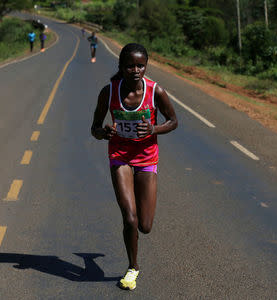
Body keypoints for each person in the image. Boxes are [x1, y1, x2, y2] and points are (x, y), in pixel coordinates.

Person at [90, 43, 178, 290]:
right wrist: (103, 132)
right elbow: (94, 127)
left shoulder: (155, 91)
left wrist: (154, 129)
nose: (136, 70)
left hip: (147, 159)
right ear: (121, 67)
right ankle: (133, 267)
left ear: (146, 66)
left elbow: (173, 121)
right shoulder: (109, 92)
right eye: (130, 66)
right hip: (120, 157)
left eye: (141, 65)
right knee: (130, 218)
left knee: (145, 226)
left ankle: (130, 246)